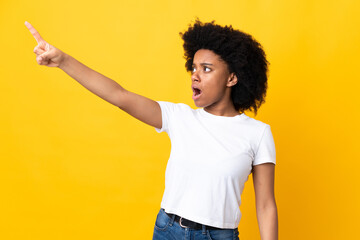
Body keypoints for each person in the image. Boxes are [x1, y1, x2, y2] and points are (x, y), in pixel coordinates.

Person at [25, 19, 278, 240]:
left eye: (207, 69)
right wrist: (63, 60)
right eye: (194, 67)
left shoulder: (257, 133)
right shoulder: (180, 117)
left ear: (232, 78)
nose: (195, 75)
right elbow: (119, 95)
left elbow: (266, 206)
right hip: (168, 230)